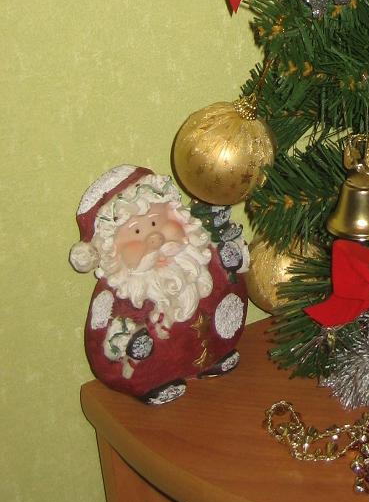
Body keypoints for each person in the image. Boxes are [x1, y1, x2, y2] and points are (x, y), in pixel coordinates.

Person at [69, 165, 247, 403]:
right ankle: (152, 385)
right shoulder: (120, 291)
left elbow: (234, 271)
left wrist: (232, 260)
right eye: (137, 232)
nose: (154, 239)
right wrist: (126, 341)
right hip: (156, 365)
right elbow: (103, 333)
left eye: (156, 223)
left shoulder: (198, 255)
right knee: (144, 365)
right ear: (111, 250)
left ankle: (216, 357)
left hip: (212, 341)